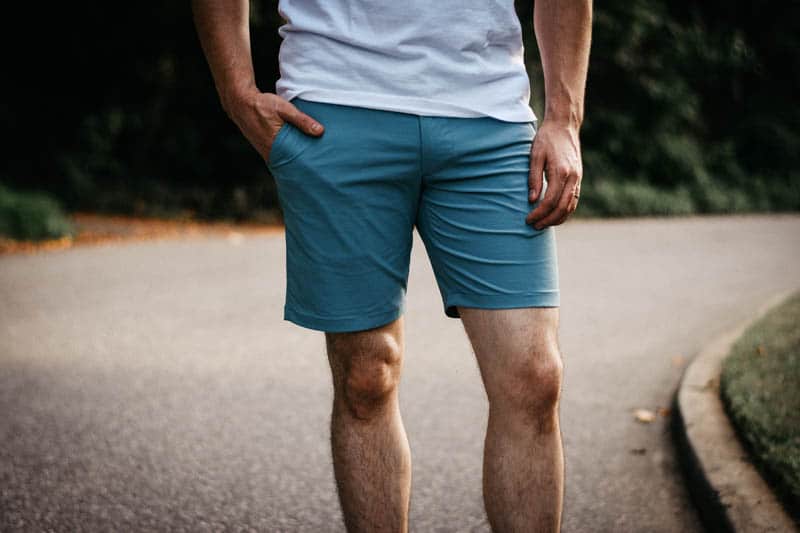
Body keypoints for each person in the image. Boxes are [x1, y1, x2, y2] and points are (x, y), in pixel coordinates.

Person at [192, 0, 591, 530]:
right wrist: (237, 92)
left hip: (488, 115)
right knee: (367, 374)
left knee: (533, 375)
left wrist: (564, 117)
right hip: (335, 108)